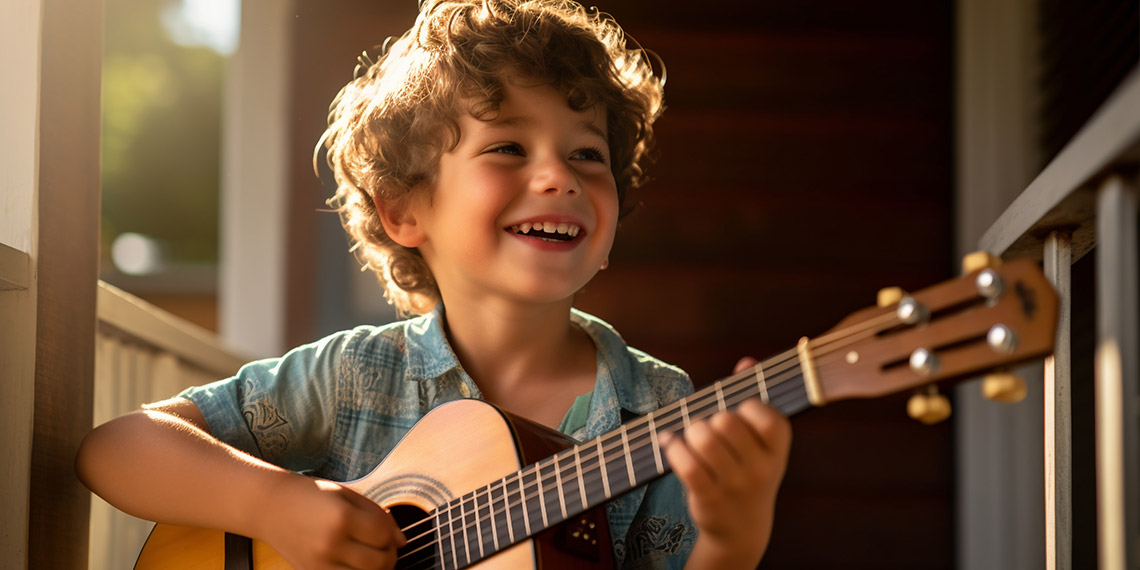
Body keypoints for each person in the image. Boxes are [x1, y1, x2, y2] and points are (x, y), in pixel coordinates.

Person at [76, 1, 792, 568]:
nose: (559, 176)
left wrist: (732, 542)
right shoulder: (354, 377)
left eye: (587, 154)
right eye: (508, 146)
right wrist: (274, 505)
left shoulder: (661, 409)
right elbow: (117, 449)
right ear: (405, 210)